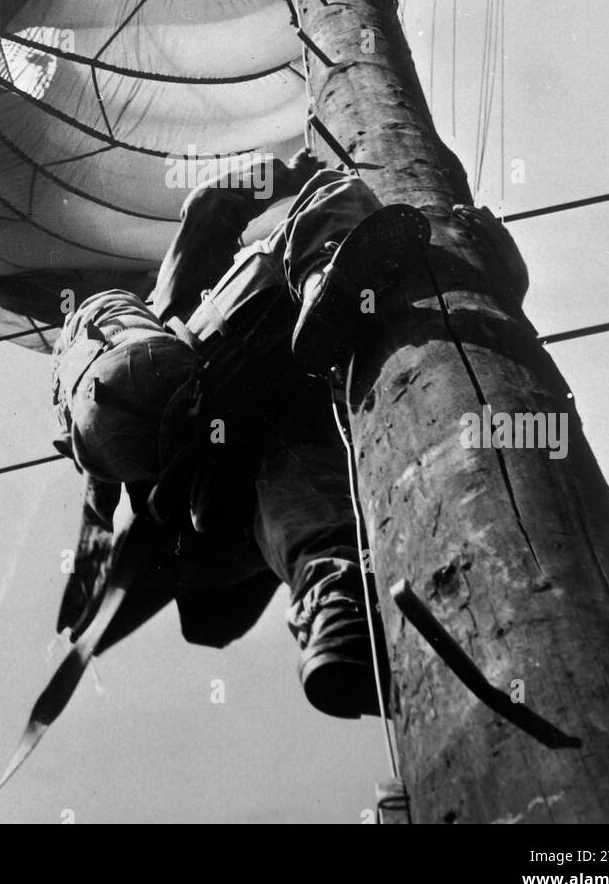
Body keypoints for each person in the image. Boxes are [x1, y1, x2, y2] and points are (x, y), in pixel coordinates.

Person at [52, 153, 431, 717]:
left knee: (284, 469)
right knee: (330, 198)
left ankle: (337, 612)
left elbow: (106, 519)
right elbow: (210, 205)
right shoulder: (174, 304)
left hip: (212, 507)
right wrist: (291, 171)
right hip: (233, 411)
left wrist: (85, 613)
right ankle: (321, 280)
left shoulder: (111, 461)